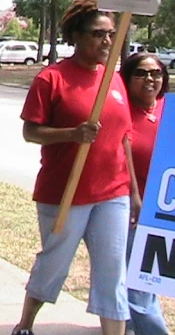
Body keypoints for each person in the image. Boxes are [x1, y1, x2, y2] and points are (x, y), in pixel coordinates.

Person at [12, 0, 137, 335]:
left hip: (112, 193)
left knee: (113, 270)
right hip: (64, 193)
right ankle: (25, 324)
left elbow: (124, 136)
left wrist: (134, 193)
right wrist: (72, 134)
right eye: (98, 34)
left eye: (111, 34)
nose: (107, 41)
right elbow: (30, 132)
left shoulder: (112, 77)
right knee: (54, 263)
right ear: (77, 36)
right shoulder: (52, 79)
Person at [120, 52, 170, 335]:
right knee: (139, 283)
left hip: (165, 209)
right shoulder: (121, 112)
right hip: (132, 207)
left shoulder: (168, 110)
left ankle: (123, 324)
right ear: (127, 78)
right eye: (141, 73)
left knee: (151, 280)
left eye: (156, 73)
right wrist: (134, 196)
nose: (150, 79)